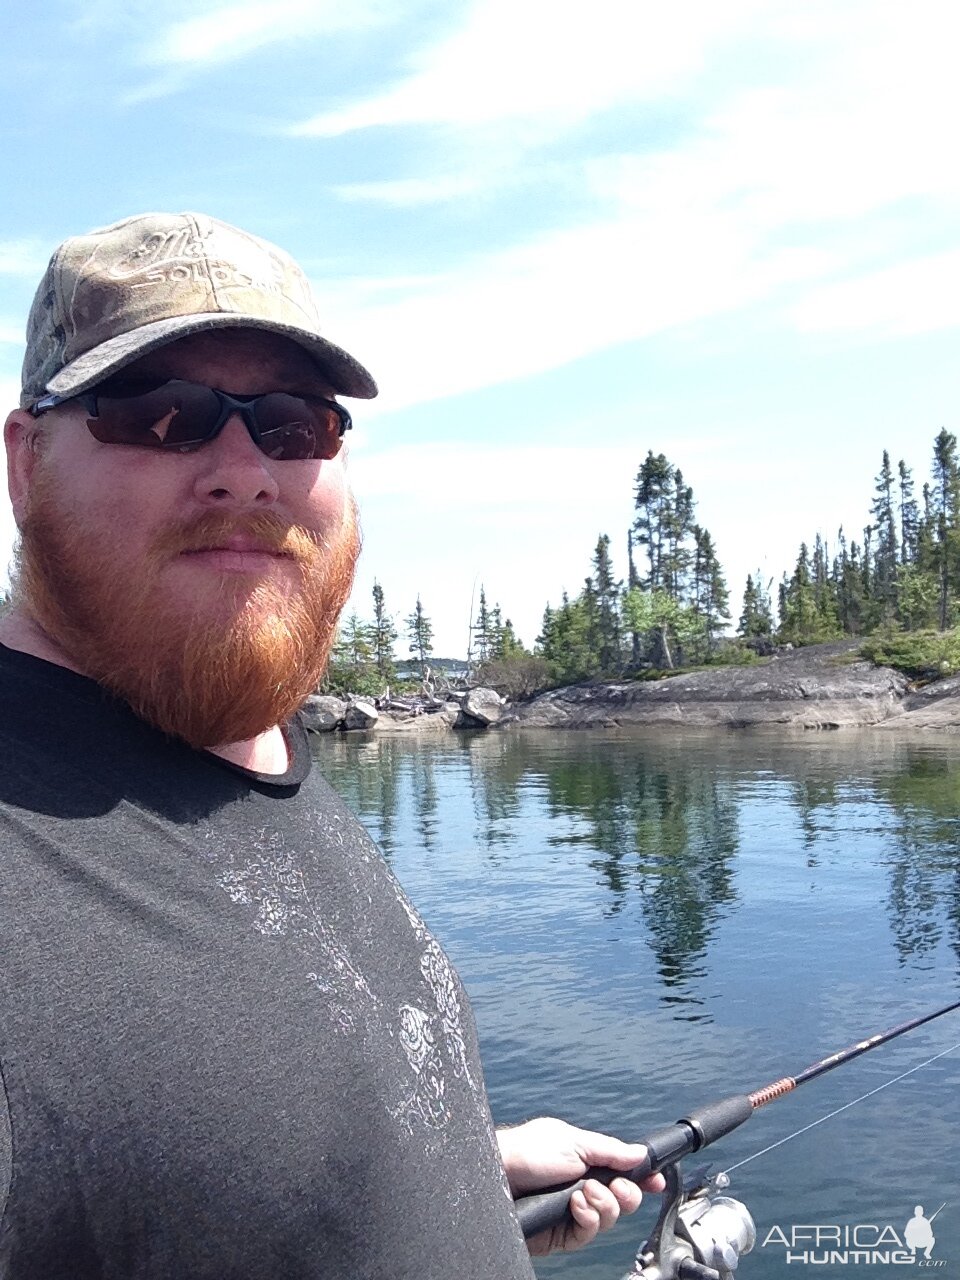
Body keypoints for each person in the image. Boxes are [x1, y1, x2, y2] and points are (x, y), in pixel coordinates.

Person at [0, 211, 661, 1278]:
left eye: (293, 424)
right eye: (165, 416)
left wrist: (450, 1171)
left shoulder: (241, 738)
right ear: (27, 463)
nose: (243, 472)